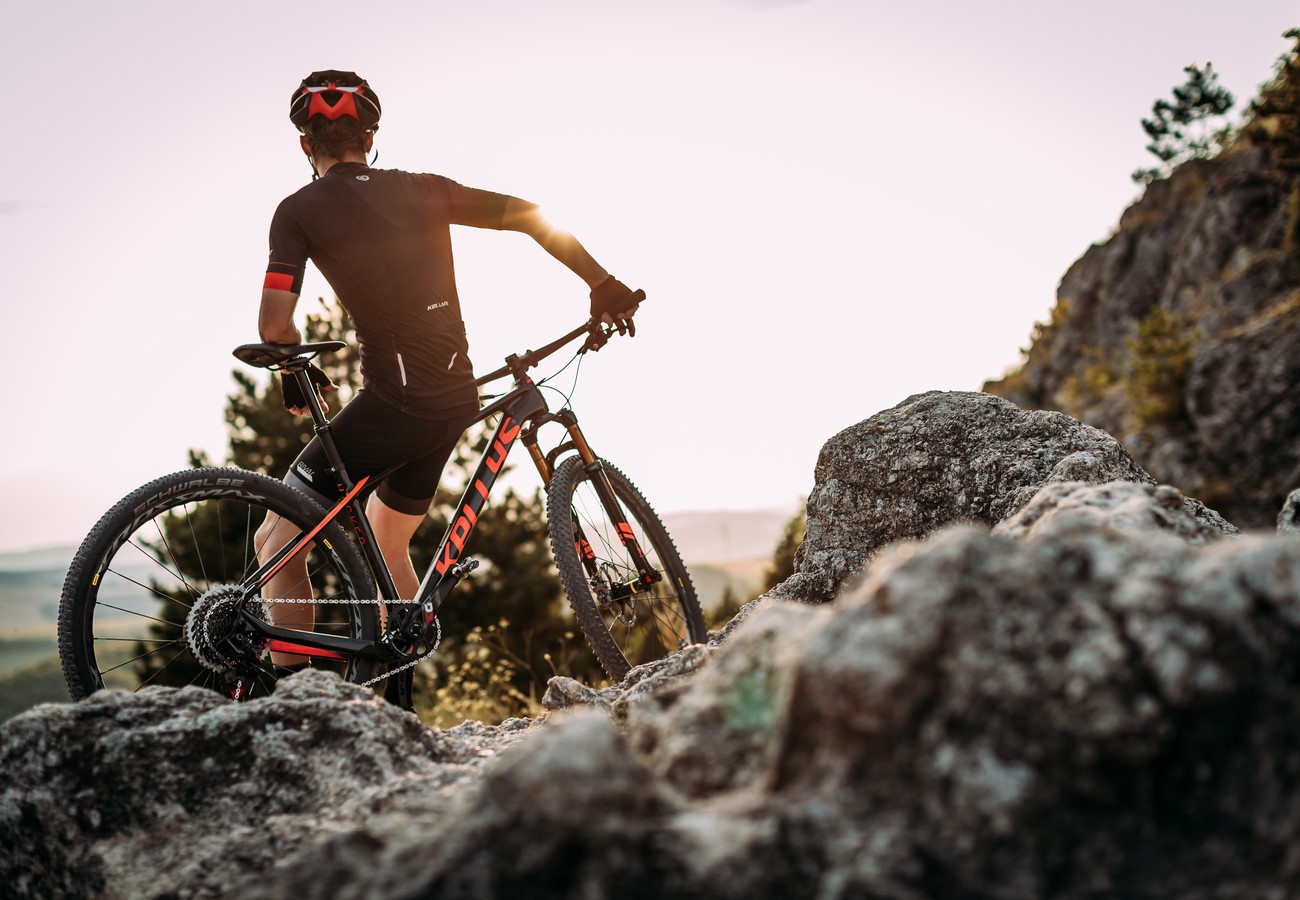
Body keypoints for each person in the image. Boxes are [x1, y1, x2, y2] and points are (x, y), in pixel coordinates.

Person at [254, 70, 641, 666]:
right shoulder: (426, 189)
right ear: (370, 137)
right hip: (453, 399)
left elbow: (275, 328)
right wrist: (602, 283)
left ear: (306, 145)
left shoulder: (297, 211)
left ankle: (293, 698)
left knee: (276, 545)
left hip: (394, 405)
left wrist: (292, 373)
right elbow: (529, 214)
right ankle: (397, 683)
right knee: (388, 537)